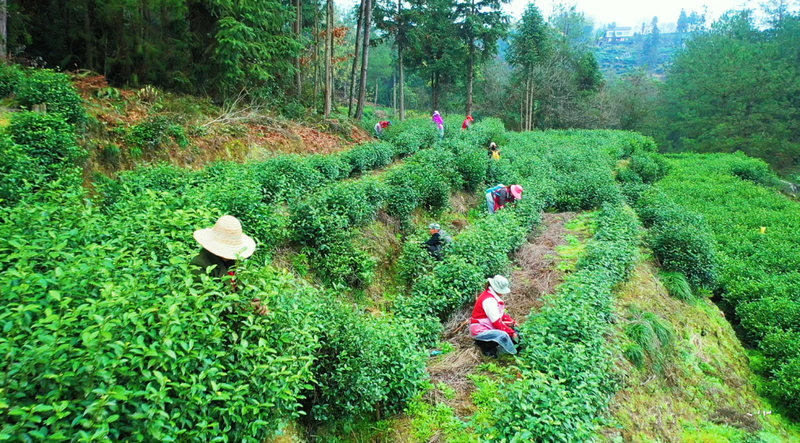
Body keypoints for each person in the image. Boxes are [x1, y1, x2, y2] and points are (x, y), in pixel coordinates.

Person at [190, 215, 267, 315]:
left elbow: (246, 286)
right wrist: (244, 306)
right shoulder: (199, 264)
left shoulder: (234, 262)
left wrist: (257, 302)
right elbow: (207, 304)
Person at [470, 275, 519, 357]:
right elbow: (497, 322)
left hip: (486, 326)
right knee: (503, 335)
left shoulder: (490, 295)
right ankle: (486, 348)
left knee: (511, 331)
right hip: (480, 330)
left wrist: (512, 322)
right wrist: (512, 333)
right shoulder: (489, 300)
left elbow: (501, 315)